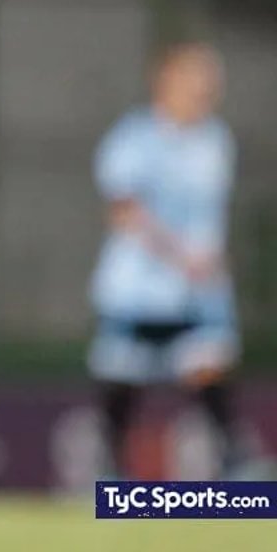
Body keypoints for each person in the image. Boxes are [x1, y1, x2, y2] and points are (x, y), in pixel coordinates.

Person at [89, 42, 246, 478]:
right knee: (123, 375)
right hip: (138, 285)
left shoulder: (216, 140)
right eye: (196, 76)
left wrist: (213, 259)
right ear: (167, 80)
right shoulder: (134, 138)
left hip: (199, 287)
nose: (206, 88)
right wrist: (179, 254)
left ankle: (235, 465)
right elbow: (123, 212)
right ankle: (109, 471)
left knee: (210, 364)